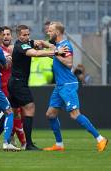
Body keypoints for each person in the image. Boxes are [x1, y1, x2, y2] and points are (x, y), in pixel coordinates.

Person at [43, 21, 108, 152]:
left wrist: (55, 52)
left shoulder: (65, 45)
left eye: (50, 31)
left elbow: (68, 63)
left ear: (57, 32)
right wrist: (46, 47)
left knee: (74, 114)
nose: (47, 32)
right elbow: (56, 54)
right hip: (60, 85)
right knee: (50, 114)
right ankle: (59, 145)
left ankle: (100, 139)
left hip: (68, 85)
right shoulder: (58, 46)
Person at [8, 24, 67, 150]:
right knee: (30, 108)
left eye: (28, 34)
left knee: (12, 113)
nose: (27, 37)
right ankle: (28, 144)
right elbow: (35, 53)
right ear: (18, 36)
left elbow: (39, 42)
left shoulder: (28, 42)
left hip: (14, 82)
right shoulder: (20, 45)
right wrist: (55, 51)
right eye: (24, 35)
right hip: (19, 83)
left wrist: (50, 45)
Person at [0, 26, 26, 150]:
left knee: (10, 113)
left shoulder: (9, 49)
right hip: (2, 86)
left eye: (8, 34)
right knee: (10, 113)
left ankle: (2, 140)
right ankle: (19, 142)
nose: (6, 36)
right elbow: (3, 65)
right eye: (3, 34)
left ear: (11, 36)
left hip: (11, 86)